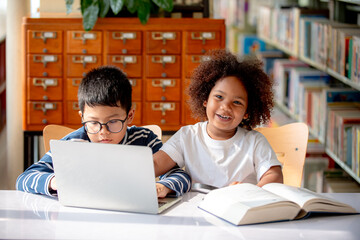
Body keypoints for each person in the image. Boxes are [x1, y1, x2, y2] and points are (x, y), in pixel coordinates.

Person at [16, 66, 191, 197]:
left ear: (129, 116)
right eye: (93, 123)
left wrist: (164, 187)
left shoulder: (144, 140)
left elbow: (181, 176)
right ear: (82, 117)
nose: (103, 132)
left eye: (113, 121)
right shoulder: (73, 144)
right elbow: (24, 179)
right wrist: (54, 181)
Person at [153, 49, 283, 188]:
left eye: (237, 102)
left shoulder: (255, 142)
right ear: (205, 99)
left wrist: (252, 191)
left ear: (247, 112)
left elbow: (274, 176)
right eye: (219, 97)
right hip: (197, 208)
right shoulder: (187, 136)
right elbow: (156, 164)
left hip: (239, 207)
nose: (226, 107)